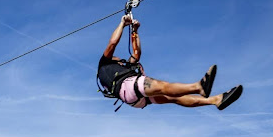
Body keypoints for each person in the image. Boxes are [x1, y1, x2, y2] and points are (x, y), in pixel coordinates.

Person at [97, 15, 242, 111]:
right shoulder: (104, 62)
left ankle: (215, 100)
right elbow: (112, 43)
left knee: (175, 98)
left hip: (134, 100)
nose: (119, 59)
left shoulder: (119, 69)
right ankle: (198, 87)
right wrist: (122, 24)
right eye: (117, 58)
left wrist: (135, 31)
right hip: (129, 87)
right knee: (164, 87)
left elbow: (136, 54)